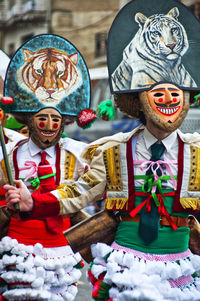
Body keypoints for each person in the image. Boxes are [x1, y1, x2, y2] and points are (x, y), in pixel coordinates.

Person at [4, 0, 200, 300]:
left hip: (180, 270)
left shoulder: (197, 152)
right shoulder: (113, 151)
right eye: (157, 92)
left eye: (176, 92)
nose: (168, 97)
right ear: (139, 99)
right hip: (127, 265)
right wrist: (36, 202)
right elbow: (76, 192)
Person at [0, 33, 94, 301]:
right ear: (29, 120)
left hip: (61, 248)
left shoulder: (79, 154)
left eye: (55, 119)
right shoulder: (7, 154)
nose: (49, 125)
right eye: (42, 118)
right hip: (18, 245)